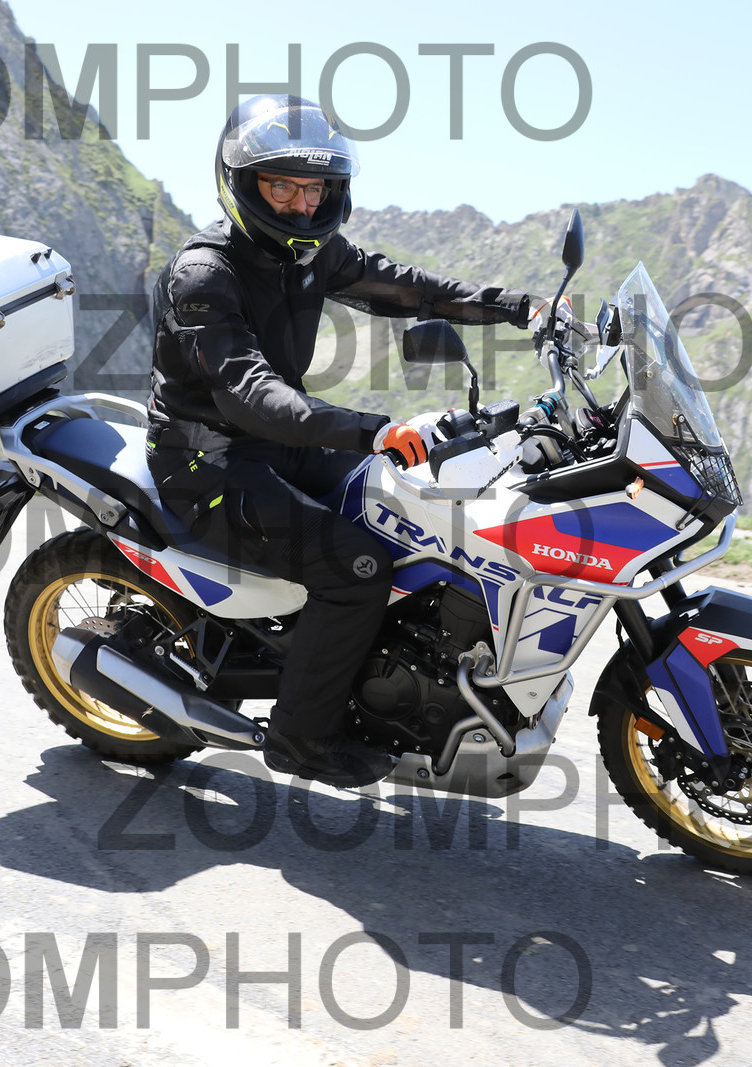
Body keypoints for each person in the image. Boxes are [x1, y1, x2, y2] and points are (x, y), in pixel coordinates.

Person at [146, 94, 539, 788]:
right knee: (355, 568)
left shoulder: (311, 253)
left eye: (316, 188)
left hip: (276, 445)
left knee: (405, 505)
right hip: (209, 461)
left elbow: (407, 289)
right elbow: (250, 393)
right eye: (283, 187)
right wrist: (374, 430)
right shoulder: (205, 275)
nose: (303, 205)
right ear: (243, 183)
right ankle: (299, 740)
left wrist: (521, 307)